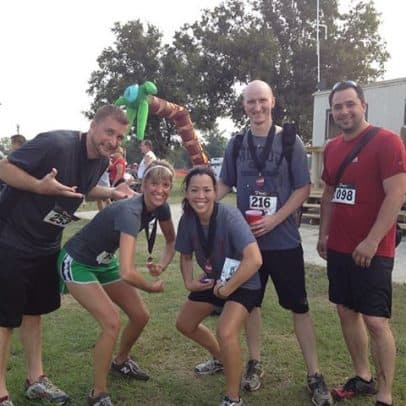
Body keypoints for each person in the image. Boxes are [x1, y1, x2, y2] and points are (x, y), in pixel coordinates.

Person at [0, 104, 134, 406]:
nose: (112, 141)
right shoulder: (57, 143)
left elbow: (82, 189)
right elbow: (4, 167)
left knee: (34, 312)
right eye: (108, 132)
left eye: (119, 136)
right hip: (11, 238)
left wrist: (113, 193)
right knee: (5, 318)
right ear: (93, 125)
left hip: (46, 244)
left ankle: (36, 379)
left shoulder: (100, 161)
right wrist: (38, 186)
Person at [216, 80, 331, 405]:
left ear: (272, 101)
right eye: (251, 102)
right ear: (244, 106)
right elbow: (225, 182)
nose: (257, 107)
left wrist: (275, 219)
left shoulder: (290, 140)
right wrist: (204, 199)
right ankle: (255, 364)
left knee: (299, 307)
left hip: (283, 242)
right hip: (247, 245)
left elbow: (303, 189)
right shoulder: (236, 143)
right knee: (250, 306)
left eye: (262, 101)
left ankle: (314, 374)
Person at [317, 80, 406, 406]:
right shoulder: (332, 147)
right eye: (338, 106)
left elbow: (397, 194)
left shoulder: (387, 142)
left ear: (363, 105)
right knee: (345, 310)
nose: (344, 111)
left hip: (373, 250)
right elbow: (328, 193)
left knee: (375, 321)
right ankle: (363, 377)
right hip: (340, 247)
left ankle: (384, 394)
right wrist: (324, 234)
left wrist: (371, 240)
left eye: (349, 104)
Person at [58, 160, 176, 406]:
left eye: (166, 185)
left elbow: (171, 240)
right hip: (77, 260)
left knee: (140, 316)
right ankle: (97, 394)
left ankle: (120, 362)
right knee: (111, 321)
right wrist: (150, 286)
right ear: (143, 185)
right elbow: (127, 272)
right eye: (154, 183)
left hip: (103, 261)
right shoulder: (130, 212)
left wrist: (162, 265)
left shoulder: (161, 207)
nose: (160, 190)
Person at [175, 166, 262, 406]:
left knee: (226, 331)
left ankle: (233, 398)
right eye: (194, 190)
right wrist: (189, 281)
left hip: (243, 282)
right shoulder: (188, 219)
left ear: (215, 191)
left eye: (206, 190)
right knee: (184, 323)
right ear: (186, 192)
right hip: (214, 279)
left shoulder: (229, 216)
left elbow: (254, 259)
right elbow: (185, 255)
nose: (200, 196)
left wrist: (227, 289)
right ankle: (220, 359)